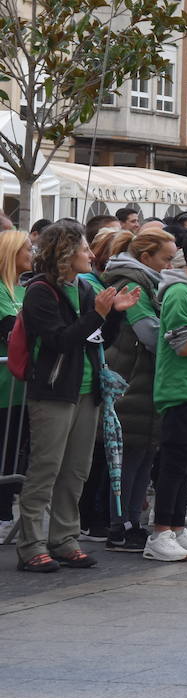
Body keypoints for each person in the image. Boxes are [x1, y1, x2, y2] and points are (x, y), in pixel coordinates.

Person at [13, 222, 141, 572]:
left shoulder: (83, 287)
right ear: (66, 253)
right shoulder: (40, 291)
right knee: (45, 470)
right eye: (84, 249)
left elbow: (98, 338)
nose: (90, 255)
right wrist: (99, 314)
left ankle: (64, 539)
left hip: (87, 391)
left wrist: (114, 315)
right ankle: (31, 545)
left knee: (76, 471)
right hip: (53, 391)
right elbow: (59, 340)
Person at [100, 230, 177, 553]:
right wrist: (183, 341)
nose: (170, 264)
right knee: (129, 456)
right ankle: (121, 525)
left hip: (145, 380)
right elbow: (149, 332)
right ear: (146, 258)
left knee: (144, 451)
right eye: (166, 258)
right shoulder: (131, 283)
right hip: (131, 379)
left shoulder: (149, 282)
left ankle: (133, 520)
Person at [0, 231, 31, 542]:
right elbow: (10, 330)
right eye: (27, 248)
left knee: (13, 455)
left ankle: (6, 510)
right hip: (3, 388)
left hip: (22, 388)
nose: (32, 254)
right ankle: (3, 514)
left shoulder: (26, 291)